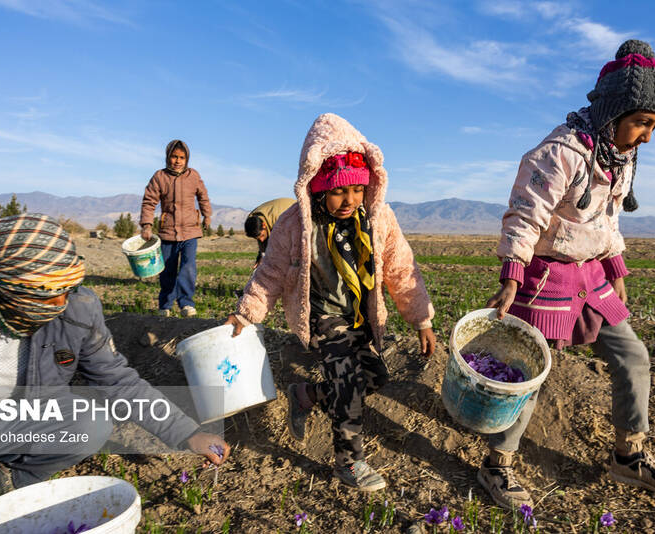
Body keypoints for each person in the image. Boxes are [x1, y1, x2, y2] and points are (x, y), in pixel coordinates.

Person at [485, 40, 655, 510]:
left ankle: (628, 455)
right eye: (642, 122)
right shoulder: (559, 153)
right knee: (530, 372)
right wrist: (512, 274)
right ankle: (497, 465)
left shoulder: (618, 155)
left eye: (654, 126)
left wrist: (615, 264)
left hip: (592, 278)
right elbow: (524, 214)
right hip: (546, 279)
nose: (647, 137)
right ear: (613, 112)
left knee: (633, 355)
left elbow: (608, 218)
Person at [225, 113, 437, 491]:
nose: (349, 200)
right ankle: (348, 462)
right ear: (319, 186)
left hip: (359, 315)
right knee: (350, 382)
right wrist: (246, 313)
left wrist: (421, 318)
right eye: (339, 191)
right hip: (323, 317)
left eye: (357, 190)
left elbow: (401, 268)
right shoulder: (296, 224)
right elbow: (270, 272)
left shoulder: (377, 218)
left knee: (375, 377)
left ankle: (306, 395)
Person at [0, 214, 230, 494]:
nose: (59, 302)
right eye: (45, 293)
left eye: (66, 289)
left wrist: (186, 433)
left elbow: (117, 380)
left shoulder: (78, 308)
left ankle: (13, 478)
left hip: (11, 417)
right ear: (6, 283)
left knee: (88, 425)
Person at [140, 140, 212, 317]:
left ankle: (186, 303)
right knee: (168, 270)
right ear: (167, 157)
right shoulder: (159, 177)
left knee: (188, 266)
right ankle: (165, 305)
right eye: (174, 157)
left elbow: (203, 196)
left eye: (182, 157)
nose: (178, 161)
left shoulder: (193, 176)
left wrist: (207, 215)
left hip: (190, 231)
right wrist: (146, 225)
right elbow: (149, 202)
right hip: (168, 232)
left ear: (187, 159)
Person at [244, 198, 296, 268]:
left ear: (264, 225)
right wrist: (261, 257)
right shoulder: (253, 221)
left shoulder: (280, 221)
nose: (261, 240)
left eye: (262, 235)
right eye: (258, 238)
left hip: (296, 214)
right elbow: (262, 242)